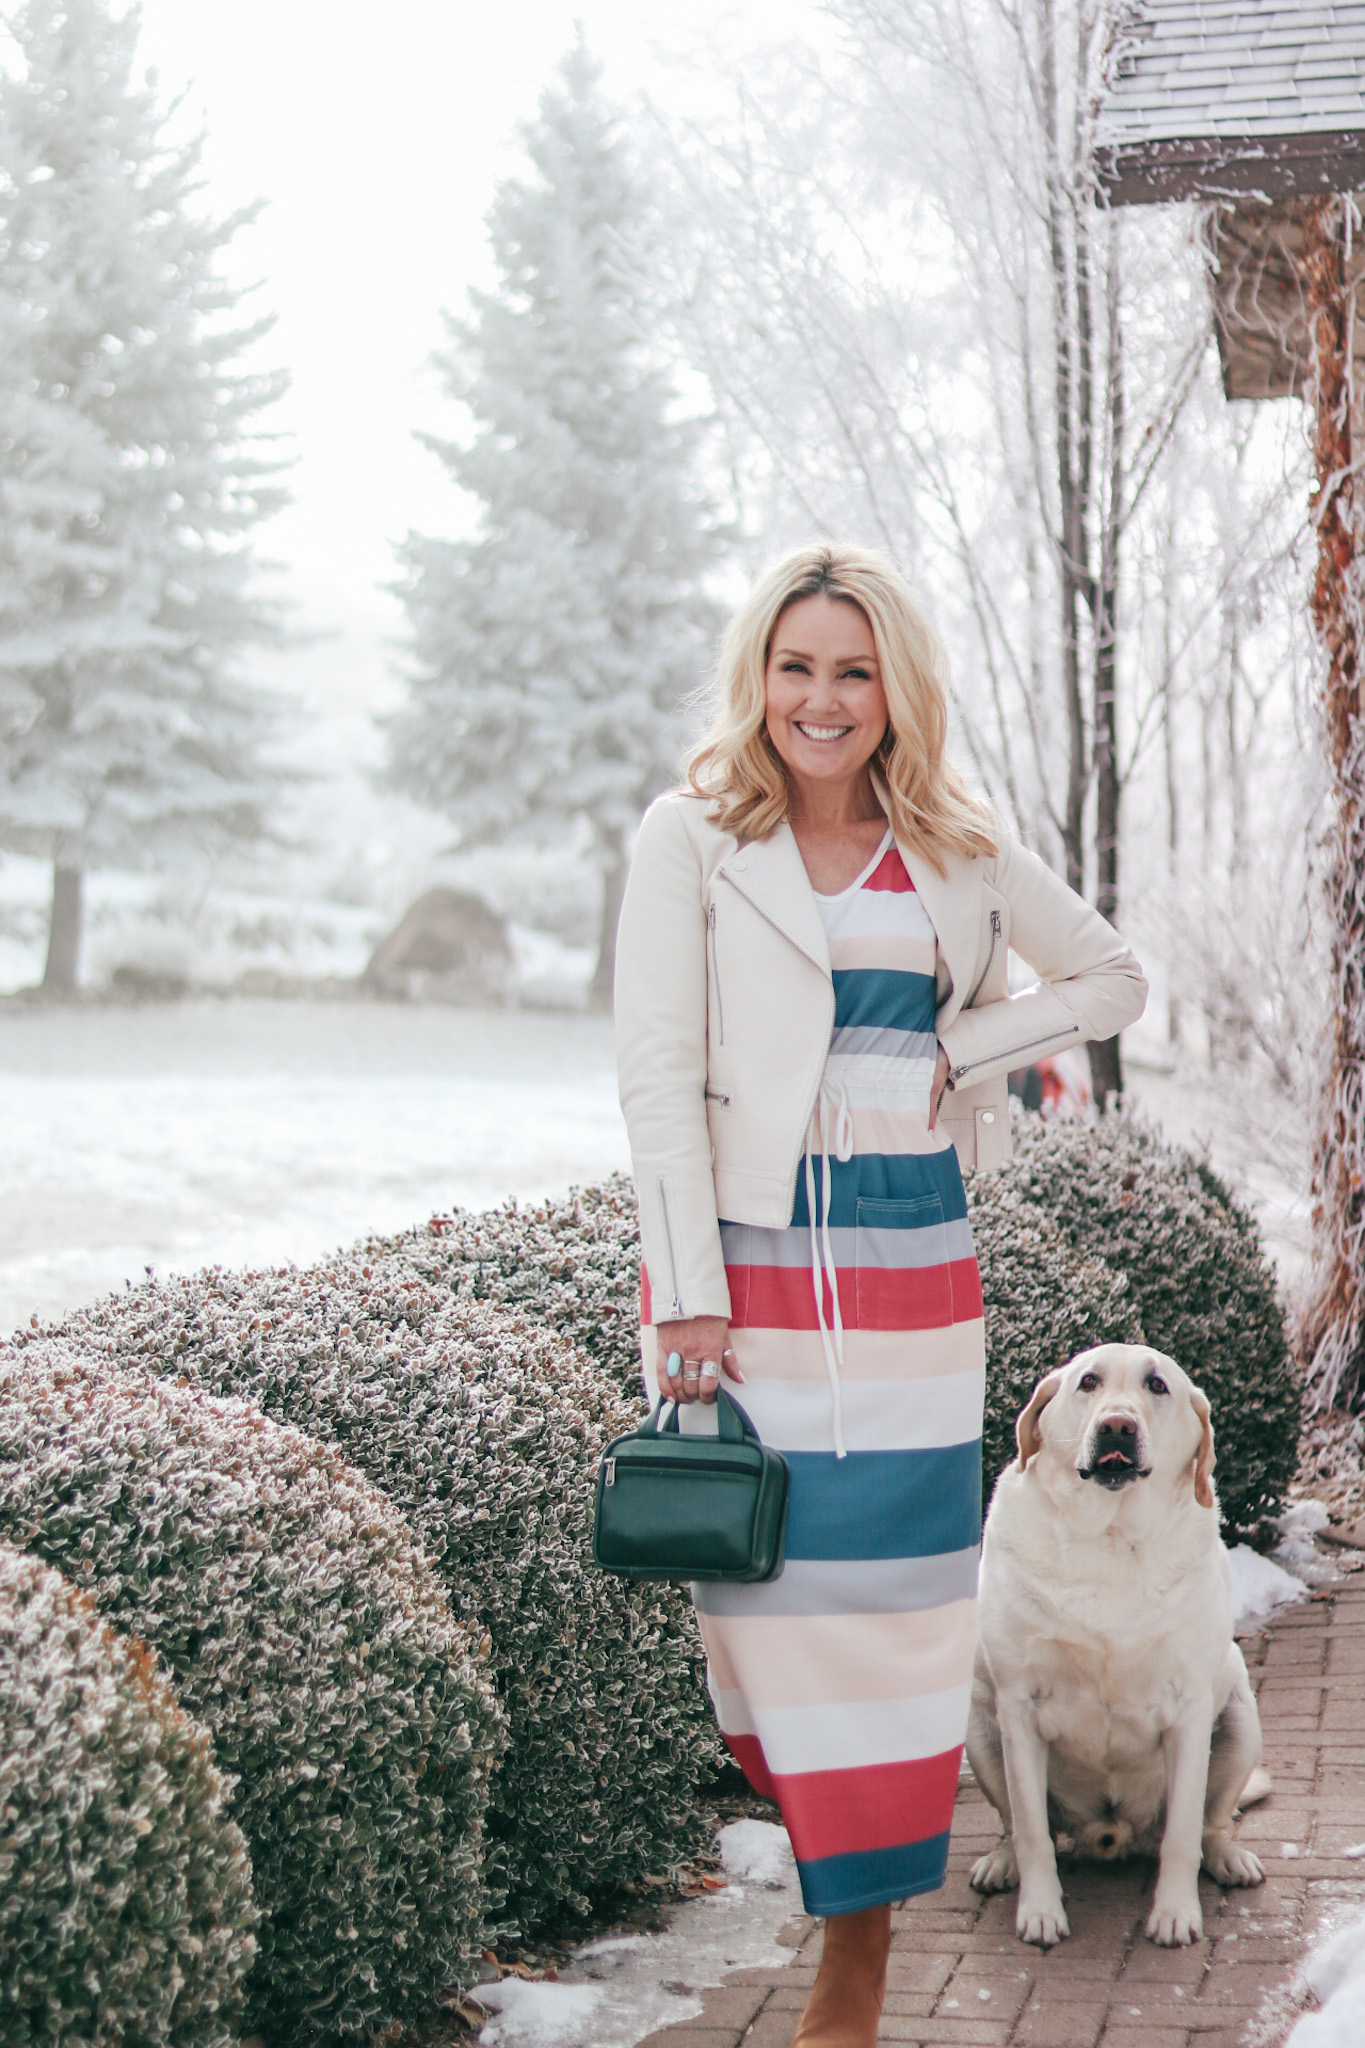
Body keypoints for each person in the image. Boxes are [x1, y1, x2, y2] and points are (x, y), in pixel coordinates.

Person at [613, 542, 1147, 2048]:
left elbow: (1109, 978)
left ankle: (852, 1979)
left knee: (907, 1632)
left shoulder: (957, 847)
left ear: (893, 688)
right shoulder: (692, 840)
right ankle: (825, 1881)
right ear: (758, 680)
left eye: (852, 671)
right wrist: (685, 1298)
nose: (821, 699)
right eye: (795, 668)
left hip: (918, 1273)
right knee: (766, 1621)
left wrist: (957, 1053)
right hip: (748, 1267)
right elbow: (655, 1079)